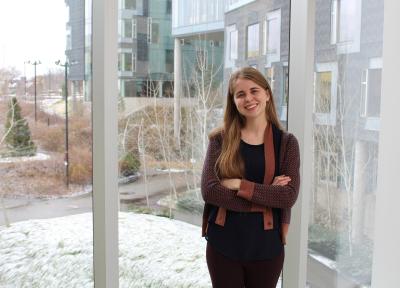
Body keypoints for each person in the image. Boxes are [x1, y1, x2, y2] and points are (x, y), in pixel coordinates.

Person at [201, 67, 300, 288]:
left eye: (254, 91)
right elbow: (209, 190)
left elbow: (288, 196)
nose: (249, 98)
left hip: (267, 249)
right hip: (223, 246)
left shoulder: (287, 143)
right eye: (240, 94)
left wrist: (239, 185)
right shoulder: (220, 139)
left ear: (267, 93)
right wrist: (267, 195)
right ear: (233, 101)